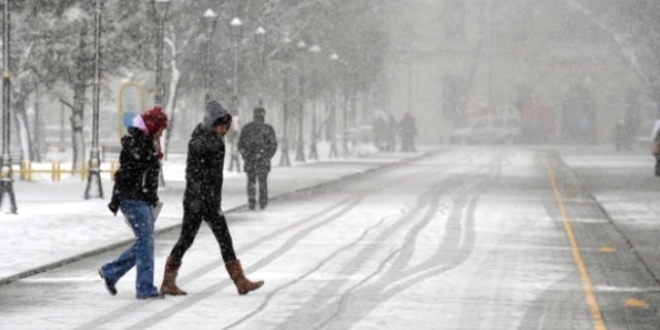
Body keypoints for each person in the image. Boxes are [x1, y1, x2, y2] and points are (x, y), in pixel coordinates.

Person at [160, 100, 264, 296]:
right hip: (199, 201)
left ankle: (239, 281)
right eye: (221, 126)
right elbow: (196, 175)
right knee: (194, 239)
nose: (224, 130)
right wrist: (205, 200)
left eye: (226, 127)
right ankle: (168, 281)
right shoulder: (203, 142)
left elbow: (211, 176)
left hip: (204, 200)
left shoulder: (208, 140)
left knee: (211, 238)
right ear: (212, 124)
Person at [99, 105, 168, 300]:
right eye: (161, 129)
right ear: (153, 126)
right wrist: (152, 154)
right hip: (133, 199)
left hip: (143, 199)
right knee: (146, 243)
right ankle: (144, 288)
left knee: (145, 243)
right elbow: (128, 174)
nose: (162, 133)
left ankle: (111, 272)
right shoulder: (136, 144)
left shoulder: (148, 143)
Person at [237, 107, 278, 210]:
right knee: (263, 181)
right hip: (263, 160)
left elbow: (240, 144)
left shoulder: (247, 128)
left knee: (251, 181)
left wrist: (245, 155)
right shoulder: (268, 128)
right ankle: (263, 202)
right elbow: (273, 145)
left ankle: (251, 201)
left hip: (250, 160)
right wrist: (267, 156)